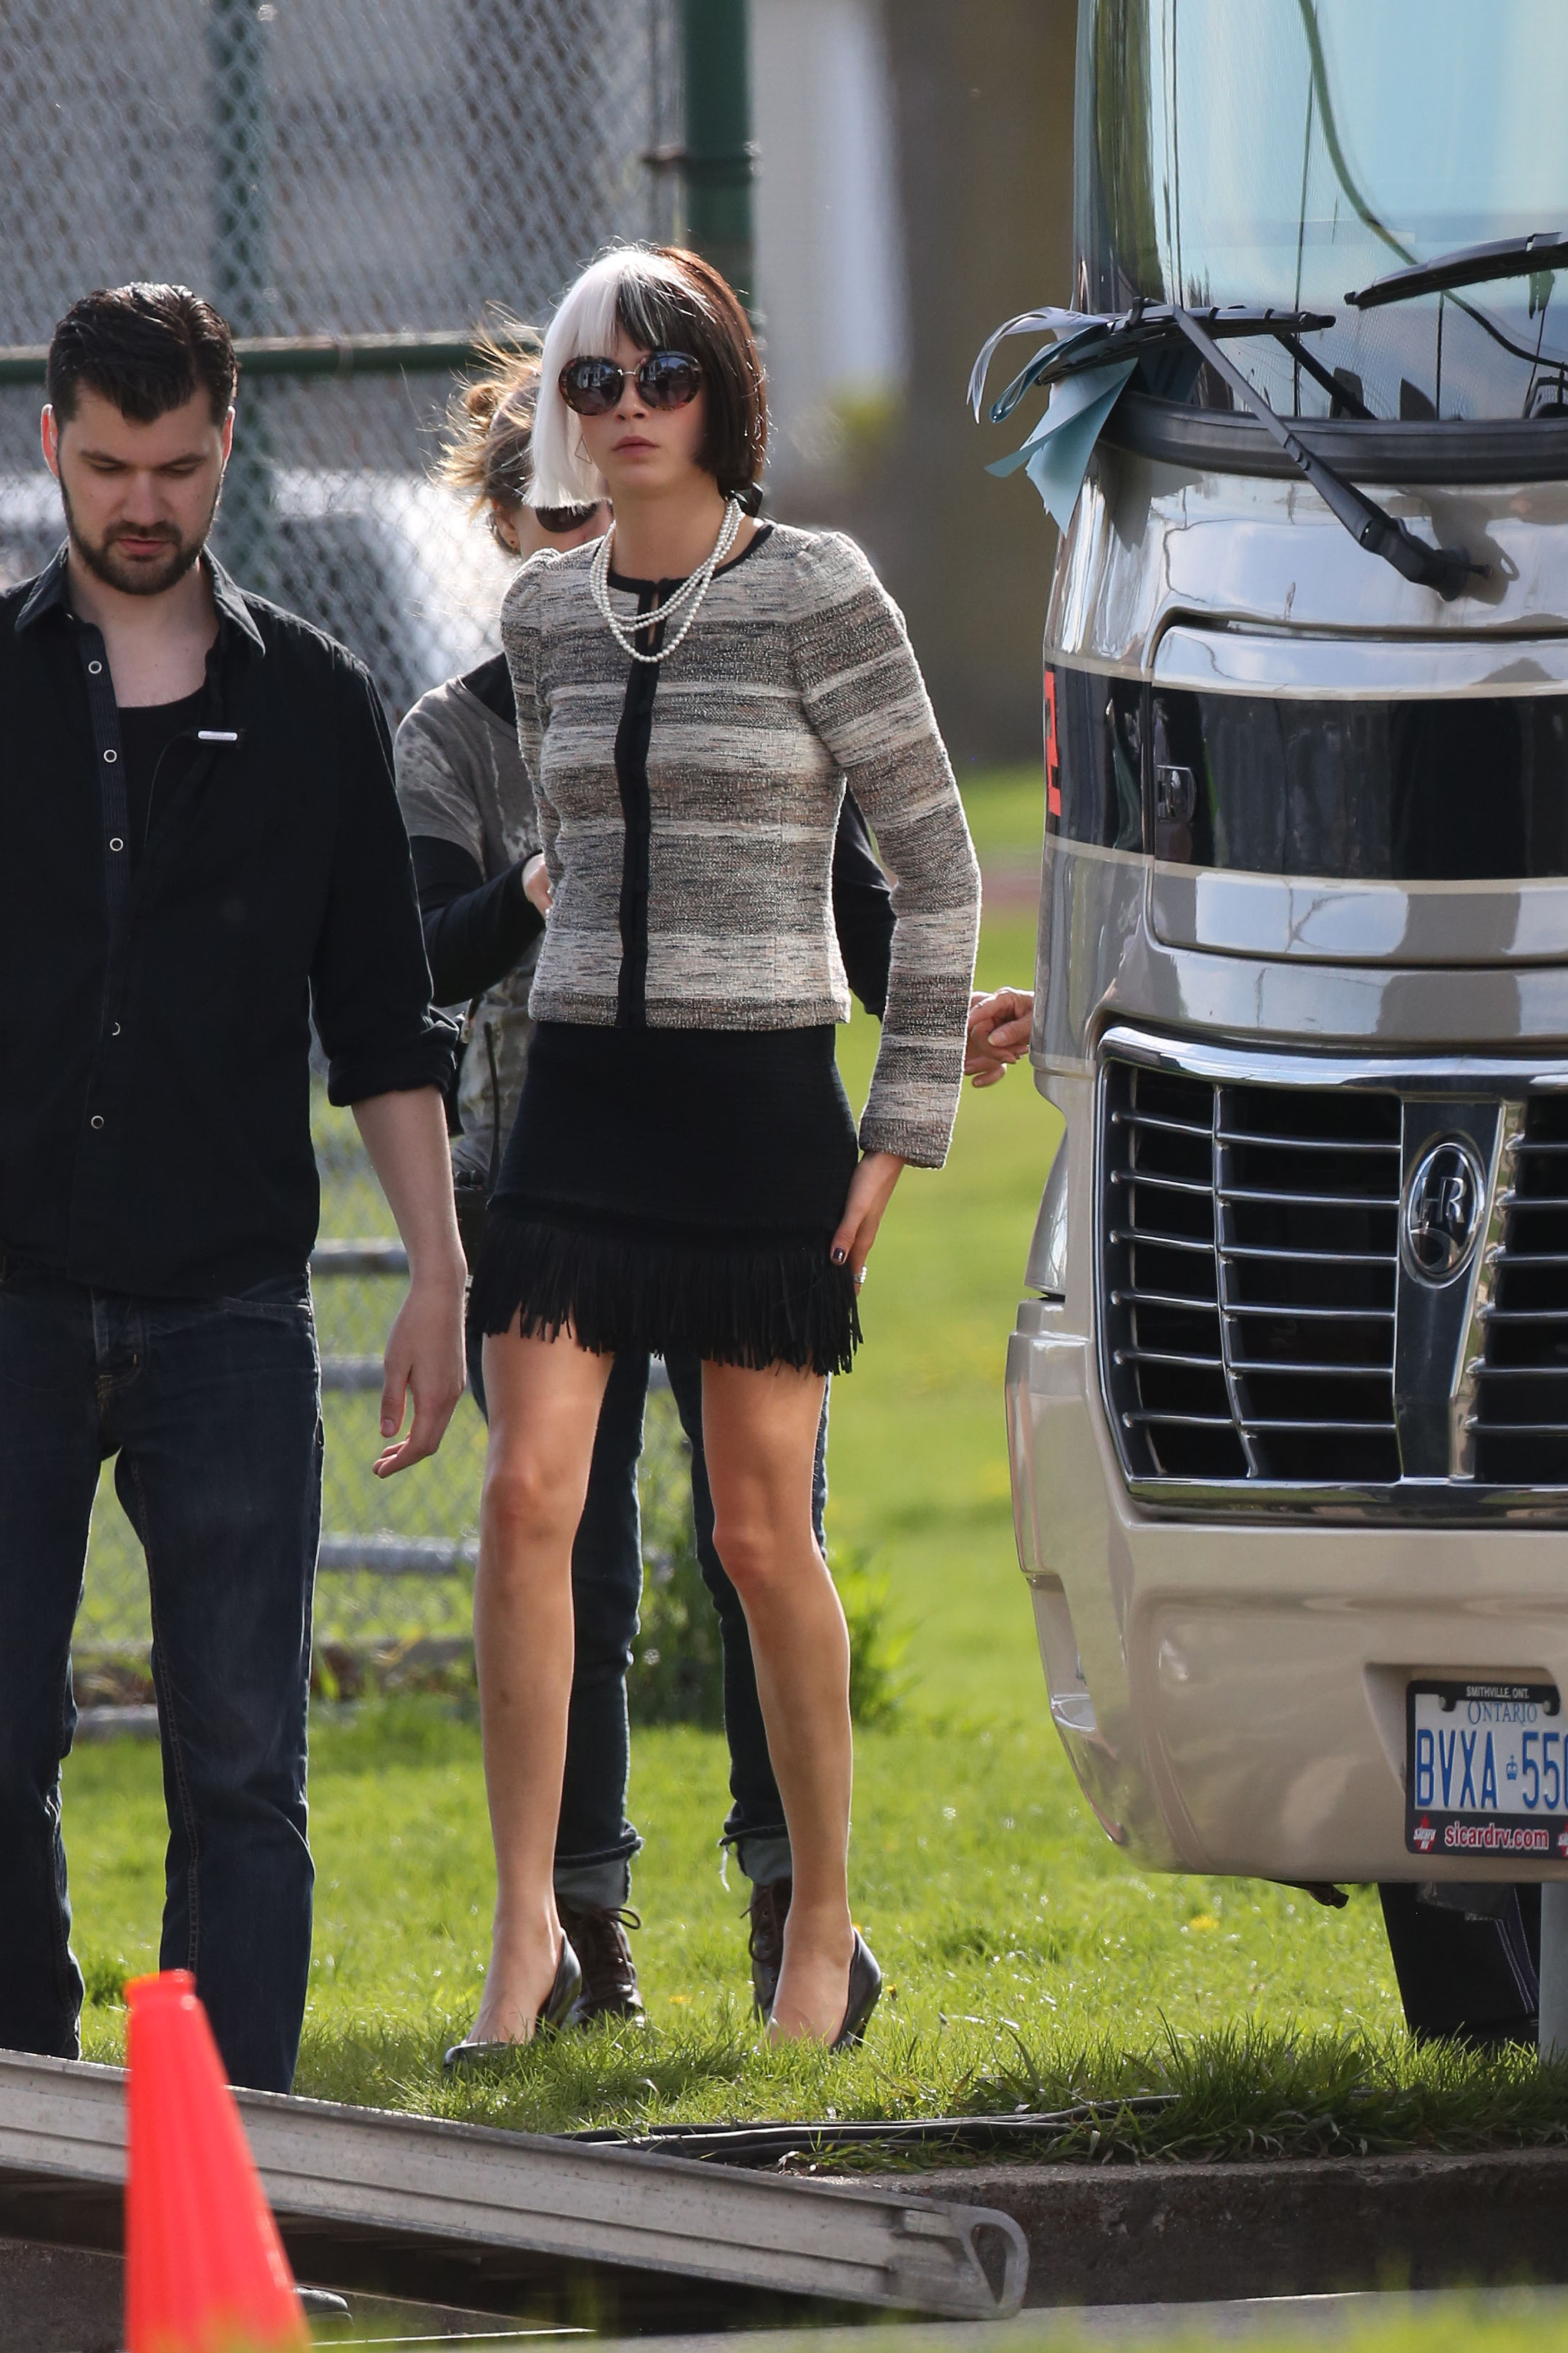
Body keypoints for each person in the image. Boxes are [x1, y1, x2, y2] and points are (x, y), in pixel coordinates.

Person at [0, 284, 464, 2094]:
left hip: (231, 1309)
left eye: (176, 467)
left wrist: (438, 1273)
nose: (142, 504)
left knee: (241, 1762)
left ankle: (221, 2127)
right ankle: (27, 2070)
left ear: (226, 446)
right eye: (105, 466)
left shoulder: (318, 705)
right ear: (51, 446)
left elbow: (384, 1026)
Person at [453, 245, 980, 2059]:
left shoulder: (822, 590)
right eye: (592, 381)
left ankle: (822, 1928)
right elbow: (568, 861)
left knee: (759, 1534)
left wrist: (901, 1123)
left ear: (723, 394)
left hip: (762, 1111)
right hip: (580, 1107)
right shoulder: (543, 616)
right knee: (527, 1498)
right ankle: (525, 1931)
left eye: (661, 375)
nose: (626, 410)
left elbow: (938, 868)